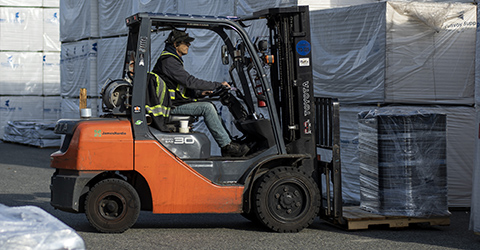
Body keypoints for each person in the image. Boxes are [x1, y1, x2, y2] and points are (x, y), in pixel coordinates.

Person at [152, 29, 249, 157]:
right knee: (207, 108)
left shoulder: (172, 60)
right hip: (171, 106)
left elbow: (179, 88)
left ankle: (229, 142)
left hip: (175, 102)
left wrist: (199, 93)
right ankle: (227, 145)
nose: (189, 45)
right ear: (176, 44)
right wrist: (217, 84)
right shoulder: (169, 61)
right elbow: (189, 81)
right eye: (186, 43)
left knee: (211, 106)